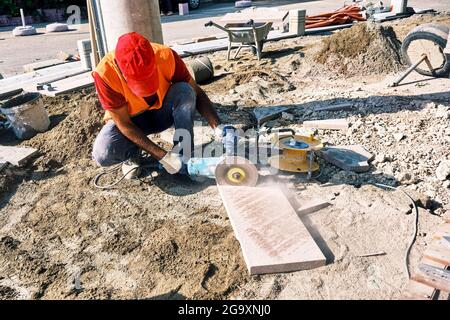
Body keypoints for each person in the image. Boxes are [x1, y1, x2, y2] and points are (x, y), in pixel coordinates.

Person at [91, 32, 220, 177]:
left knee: (186, 91)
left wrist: (219, 127)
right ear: (122, 71)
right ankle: (133, 153)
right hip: (131, 122)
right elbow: (124, 124)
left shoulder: (165, 55)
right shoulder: (105, 74)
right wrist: (164, 157)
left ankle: (184, 154)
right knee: (103, 153)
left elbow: (196, 91)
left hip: (161, 113)